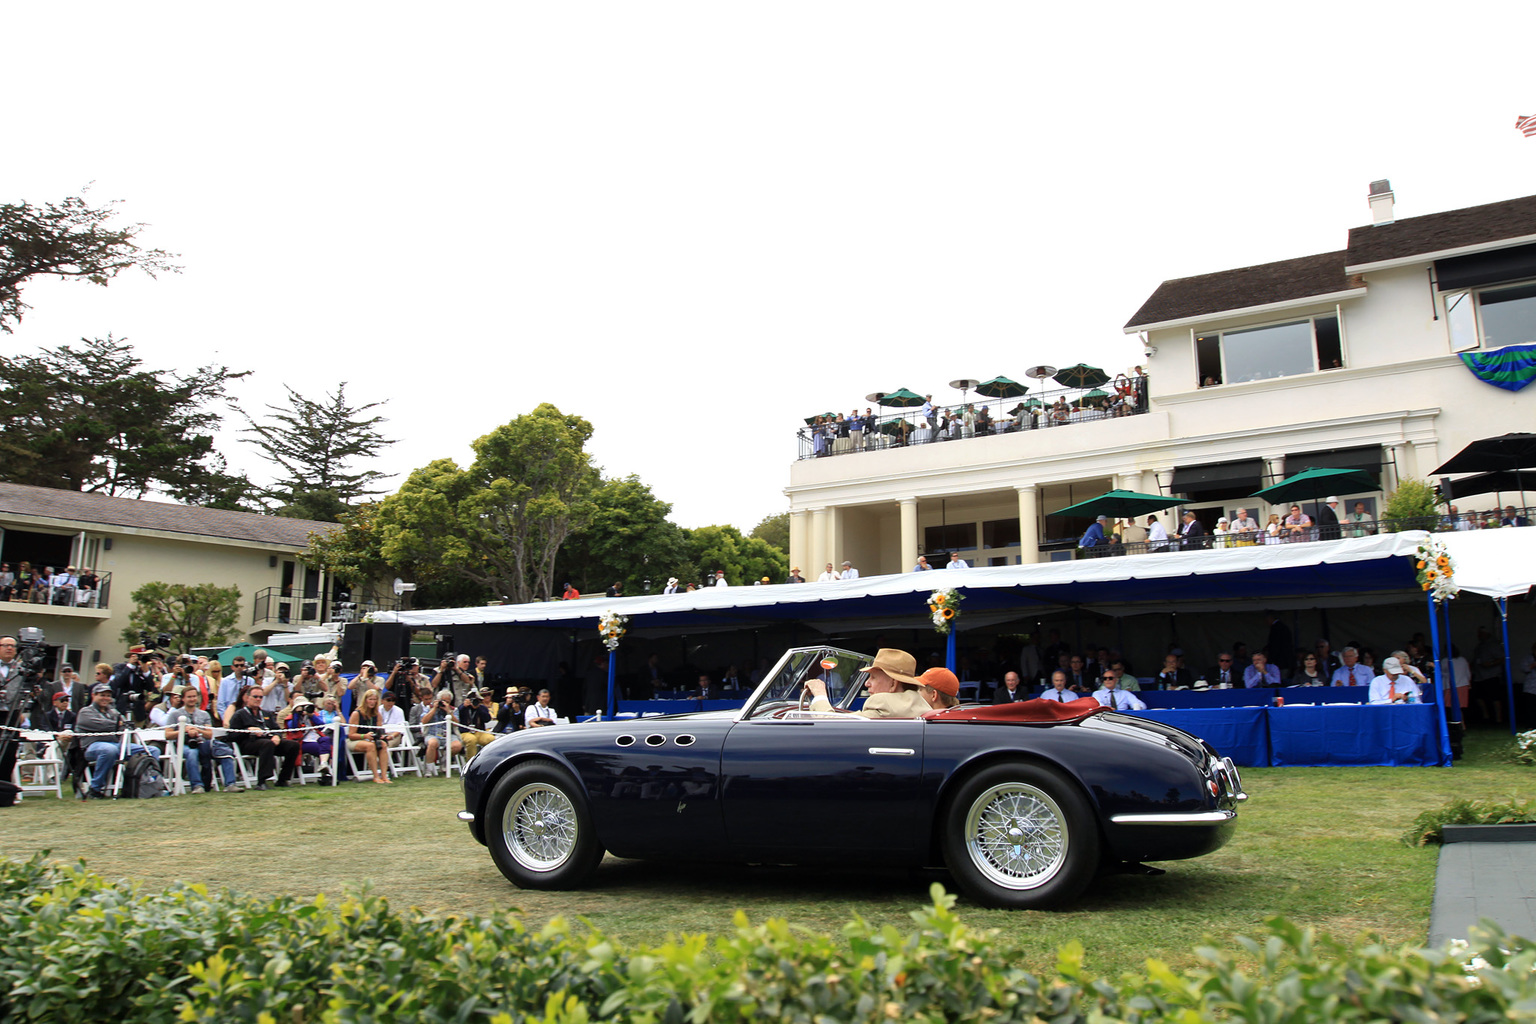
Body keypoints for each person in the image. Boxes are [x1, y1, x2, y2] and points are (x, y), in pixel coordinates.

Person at [804, 648, 930, 719]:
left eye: (873, 677)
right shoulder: (922, 706)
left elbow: (830, 724)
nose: (866, 683)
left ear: (893, 684)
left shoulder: (883, 705)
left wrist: (820, 695)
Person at [76, 682, 151, 798]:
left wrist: (123, 724)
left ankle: (145, 785)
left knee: (151, 750)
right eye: (102, 695)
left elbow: (126, 726)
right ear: (93, 695)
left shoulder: (113, 712)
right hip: (93, 746)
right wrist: (119, 724)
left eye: (108, 695)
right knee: (109, 750)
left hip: (116, 745)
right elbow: (102, 725)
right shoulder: (85, 711)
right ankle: (95, 789)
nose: (105, 698)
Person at [228, 685, 300, 789]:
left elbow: (277, 729)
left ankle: (283, 778)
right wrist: (248, 731)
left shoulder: (266, 713)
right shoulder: (240, 714)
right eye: (255, 696)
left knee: (293, 745)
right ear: (247, 698)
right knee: (267, 744)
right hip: (248, 743)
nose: (258, 699)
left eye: (260, 697)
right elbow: (231, 735)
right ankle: (262, 781)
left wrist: (277, 736)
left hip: (268, 741)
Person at [347, 688, 392, 784]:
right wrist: (364, 736)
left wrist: (382, 736)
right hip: (356, 740)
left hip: (371, 740)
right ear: (365, 700)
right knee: (370, 746)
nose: (372, 702)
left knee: (383, 745)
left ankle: (384, 776)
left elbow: (380, 730)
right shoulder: (357, 713)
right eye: (370, 699)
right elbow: (351, 735)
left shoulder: (377, 715)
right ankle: (375, 776)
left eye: (375, 700)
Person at [284, 695, 333, 781]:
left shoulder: (313, 715)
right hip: (302, 742)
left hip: (316, 738)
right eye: (302, 707)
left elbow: (322, 727)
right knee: (325, 749)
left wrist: (311, 715)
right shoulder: (290, 718)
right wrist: (296, 714)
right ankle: (326, 773)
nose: (304, 709)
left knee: (326, 740)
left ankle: (323, 764)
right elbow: (294, 730)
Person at [457, 689, 496, 758]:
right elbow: (458, 716)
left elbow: (487, 719)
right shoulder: (463, 708)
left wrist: (478, 708)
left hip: (479, 732)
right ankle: (470, 762)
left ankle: (488, 759)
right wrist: (464, 706)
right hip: (465, 732)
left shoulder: (482, 708)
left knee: (491, 739)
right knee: (471, 739)